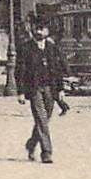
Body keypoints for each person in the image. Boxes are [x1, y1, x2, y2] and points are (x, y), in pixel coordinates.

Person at [16, 18, 66, 164]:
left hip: (50, 88)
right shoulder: (26, 48)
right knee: (42, 119)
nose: (39, 31)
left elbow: (57, 70)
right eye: (36, 28)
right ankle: (47, 152)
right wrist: (21, 92)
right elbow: (20, 71)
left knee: (45, 118)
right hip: (34, 89)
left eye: (42, 29)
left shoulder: (52, 48)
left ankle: (31, 144)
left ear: (47, 31)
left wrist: (61, 88)